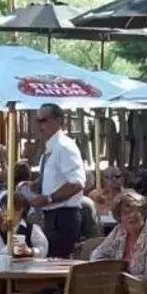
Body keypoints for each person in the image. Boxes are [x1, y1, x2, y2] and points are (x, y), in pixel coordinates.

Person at [24, 102, 90, 259]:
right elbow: (56, 176)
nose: (40, 125)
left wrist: (48, 198)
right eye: (37, 120)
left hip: (64, 216)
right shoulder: (51, 148)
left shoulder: (64, 146)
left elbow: (77, 183)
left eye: (44, 120)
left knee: (55, 265)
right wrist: (37, 183)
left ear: (58, 121)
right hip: (52, 216)